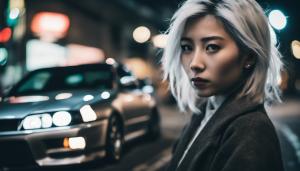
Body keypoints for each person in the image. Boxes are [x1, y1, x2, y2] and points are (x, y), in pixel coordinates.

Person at [162, 0, 284, 170]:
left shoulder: (251, 131)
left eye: (212, 47)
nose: (194, 64)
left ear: (249, 56)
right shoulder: (204, 114)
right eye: (187, 47)